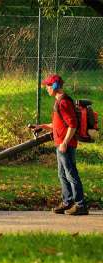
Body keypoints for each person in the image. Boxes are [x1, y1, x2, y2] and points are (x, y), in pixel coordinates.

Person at [33, 74, 88, 215]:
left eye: (48, 86)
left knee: (70, 174)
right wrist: (42, 126)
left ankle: (80, 205)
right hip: (61, 144)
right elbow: (58, 124)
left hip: (65, 145)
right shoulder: (59, 102)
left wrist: (64, 142)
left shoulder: (63, 102)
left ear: (55, 86)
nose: (46, 88)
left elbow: (73, 125)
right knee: (62, 174)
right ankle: (67, 202)